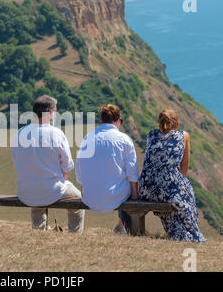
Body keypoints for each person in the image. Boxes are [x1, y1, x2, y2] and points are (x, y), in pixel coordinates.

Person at [11, 95, 85, 233]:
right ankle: (75, 236)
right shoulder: (56, 133)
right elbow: (68, 166)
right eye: (55, 111)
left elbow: (16, 161)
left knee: (37, 200)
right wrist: (62, 179)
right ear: (50, 112)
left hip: (25, 191)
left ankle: (38, 231)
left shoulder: (21, 132)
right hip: (52, 189)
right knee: (78, 202)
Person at [139, 109, 205, 243]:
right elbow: (184, 168)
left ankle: (175, 231)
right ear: (177, 124)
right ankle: (187, 235)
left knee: (174, 197)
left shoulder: (151, 134)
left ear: (158, 122)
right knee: (186, 197)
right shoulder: (183, 136)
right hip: (167, 187)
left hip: (146, 188)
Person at [76, 104, 139, 234]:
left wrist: (84, 191)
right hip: (115, 197)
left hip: (89, 197)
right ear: (117, 121)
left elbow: (80, 168)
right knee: (129, 180)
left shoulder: (88, 138)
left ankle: (121, 227)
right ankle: (123, 227)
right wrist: (135, 197)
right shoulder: (124, 139)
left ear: (102, 120)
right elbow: (132, 172)